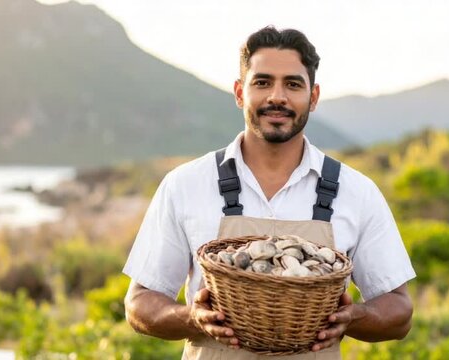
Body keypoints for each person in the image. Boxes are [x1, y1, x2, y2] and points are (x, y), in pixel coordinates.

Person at [123, 26, 416, 359]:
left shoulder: (357, 192)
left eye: (293, 84)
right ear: (239, 92)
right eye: (262, 82)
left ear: (314, 97)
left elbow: (400, 311)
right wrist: (192, 318)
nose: (277, 96)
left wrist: (353, 317)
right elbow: (139, 303)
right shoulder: (185, 184)